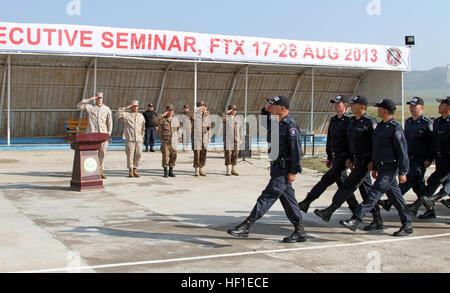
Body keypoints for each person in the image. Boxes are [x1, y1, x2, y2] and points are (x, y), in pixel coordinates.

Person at [227, 96, 306, 243]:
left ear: (282, 108)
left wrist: (293, 171)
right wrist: (266, 109)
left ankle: (247, 225)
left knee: (268, 196)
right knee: (289, 201)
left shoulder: (291, 125)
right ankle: (300, 231)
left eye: (274, 105)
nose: (271, 107)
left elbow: (296, 150)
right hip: (276, 166)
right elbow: (264, 121)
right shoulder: (276, 122)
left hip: (284, 168)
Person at [339, 99, 413, 237]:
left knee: (375, 192)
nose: (377, 110)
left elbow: (402, 151)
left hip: (391, 167)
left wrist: (403, 171)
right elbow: (377, 148)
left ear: (385, 110)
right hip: (381, 166)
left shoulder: (395, 127)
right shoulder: (380, 126)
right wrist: (375, 165)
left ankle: (356, 219)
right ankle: (407, 224)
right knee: (396, 197)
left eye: (379, 108)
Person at [313, 96, 382, 231]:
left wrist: (375, 163)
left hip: (366, 161)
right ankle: (377, 219)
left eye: (354, 104)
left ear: (362, 106)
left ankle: (333, 211)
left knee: (349, 186)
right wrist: (350, 158)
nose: (352, 106)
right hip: (357, 160)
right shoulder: (353, 121)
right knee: (365, 190)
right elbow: (351, 143)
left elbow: (376, 144)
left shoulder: (370, 122)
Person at [297, 95, 359, 214]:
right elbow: (330, 139)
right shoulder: (333, 120)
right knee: (343, 184)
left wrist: (351, 158)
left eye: (338, 103)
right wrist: (329, 156)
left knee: (326, 179)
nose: (335, 105)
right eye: (334, 103)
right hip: (335, 157)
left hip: (344, 157)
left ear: (345, 105)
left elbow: (351, 141)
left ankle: (307, 201)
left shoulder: (349, 121)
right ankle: (355, 209)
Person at [378, 97, 433, 218]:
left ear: (421, 108)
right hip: (410, 158)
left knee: (409, 178)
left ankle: (390, 201)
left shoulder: (427, 123)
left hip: (421, 159)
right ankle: (431, 210)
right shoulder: (408, 122)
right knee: (418, 185)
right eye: (411, 106)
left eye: (415, 106)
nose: (412, 108)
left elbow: (432, 143)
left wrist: (429, 158)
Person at [409, 96, 450, 218]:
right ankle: (428, 205)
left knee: (437, 180)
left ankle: (424, 202)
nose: (439, 106)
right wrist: (430, 158)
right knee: (435, 181)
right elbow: (434, 143)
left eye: (442, 104)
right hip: (440, 158)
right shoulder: (437, 122)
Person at [77, 92, 112, 179]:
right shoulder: (90, 107)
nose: (99, 99)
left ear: (102, 98)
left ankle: (100, 171)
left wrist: (108, 133)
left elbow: (109, 122)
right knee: (92, 154)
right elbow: (78, 106)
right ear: (95, 98)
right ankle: (92, 172)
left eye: (100, 98)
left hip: (103, 134)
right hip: (92, 134)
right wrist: (88, 100)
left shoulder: (107, 109)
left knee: (102, 153)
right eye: (97, 98)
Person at [116, 100, 146, 178]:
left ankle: (135, 168)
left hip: (139, 138)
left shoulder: (140, 116)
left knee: (139, 154)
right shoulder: (127, 115)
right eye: (134, 106)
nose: (135, 107)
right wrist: (125, 108)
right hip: (130, 138)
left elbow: (143, 127)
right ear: (131, 107)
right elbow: (117, 114)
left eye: (136, 106)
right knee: (130, 155)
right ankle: (131, 170)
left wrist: (142, 135)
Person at [154, 104, 182, 178]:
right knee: (165, 157)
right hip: (165, 142)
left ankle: (171, 171)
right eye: (169, 110)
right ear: (166, 111)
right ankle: (165, 172)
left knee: (173, 157)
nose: (170, 112)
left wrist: (180, 139)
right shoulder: (163, 119)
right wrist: (163, 115)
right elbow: (155, 121)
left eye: (171, 110)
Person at [188, 101, 211, 176]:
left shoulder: (207, 113)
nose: (202, 107)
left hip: (204, 136)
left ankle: (201, 168)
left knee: (204, 153)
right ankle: (196, 170)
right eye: (200, 106)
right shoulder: (193, 113)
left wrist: (209, 136)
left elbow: (209, 126)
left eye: (202, 106)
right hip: (196, 137)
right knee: (197, 153)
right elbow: (188, 116)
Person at [223, 105, 242, 176]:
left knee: (235, 154)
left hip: (236, 139)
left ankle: (233, 170)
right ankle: (228, 170)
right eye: (232, 109)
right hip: (228, 140)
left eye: (235, 109)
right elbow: (222, 118)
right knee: (228, 154)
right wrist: (227, 112)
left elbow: (241, 129)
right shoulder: (226, 118)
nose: (234, 111)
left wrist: (241, 139)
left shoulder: (238, 118)